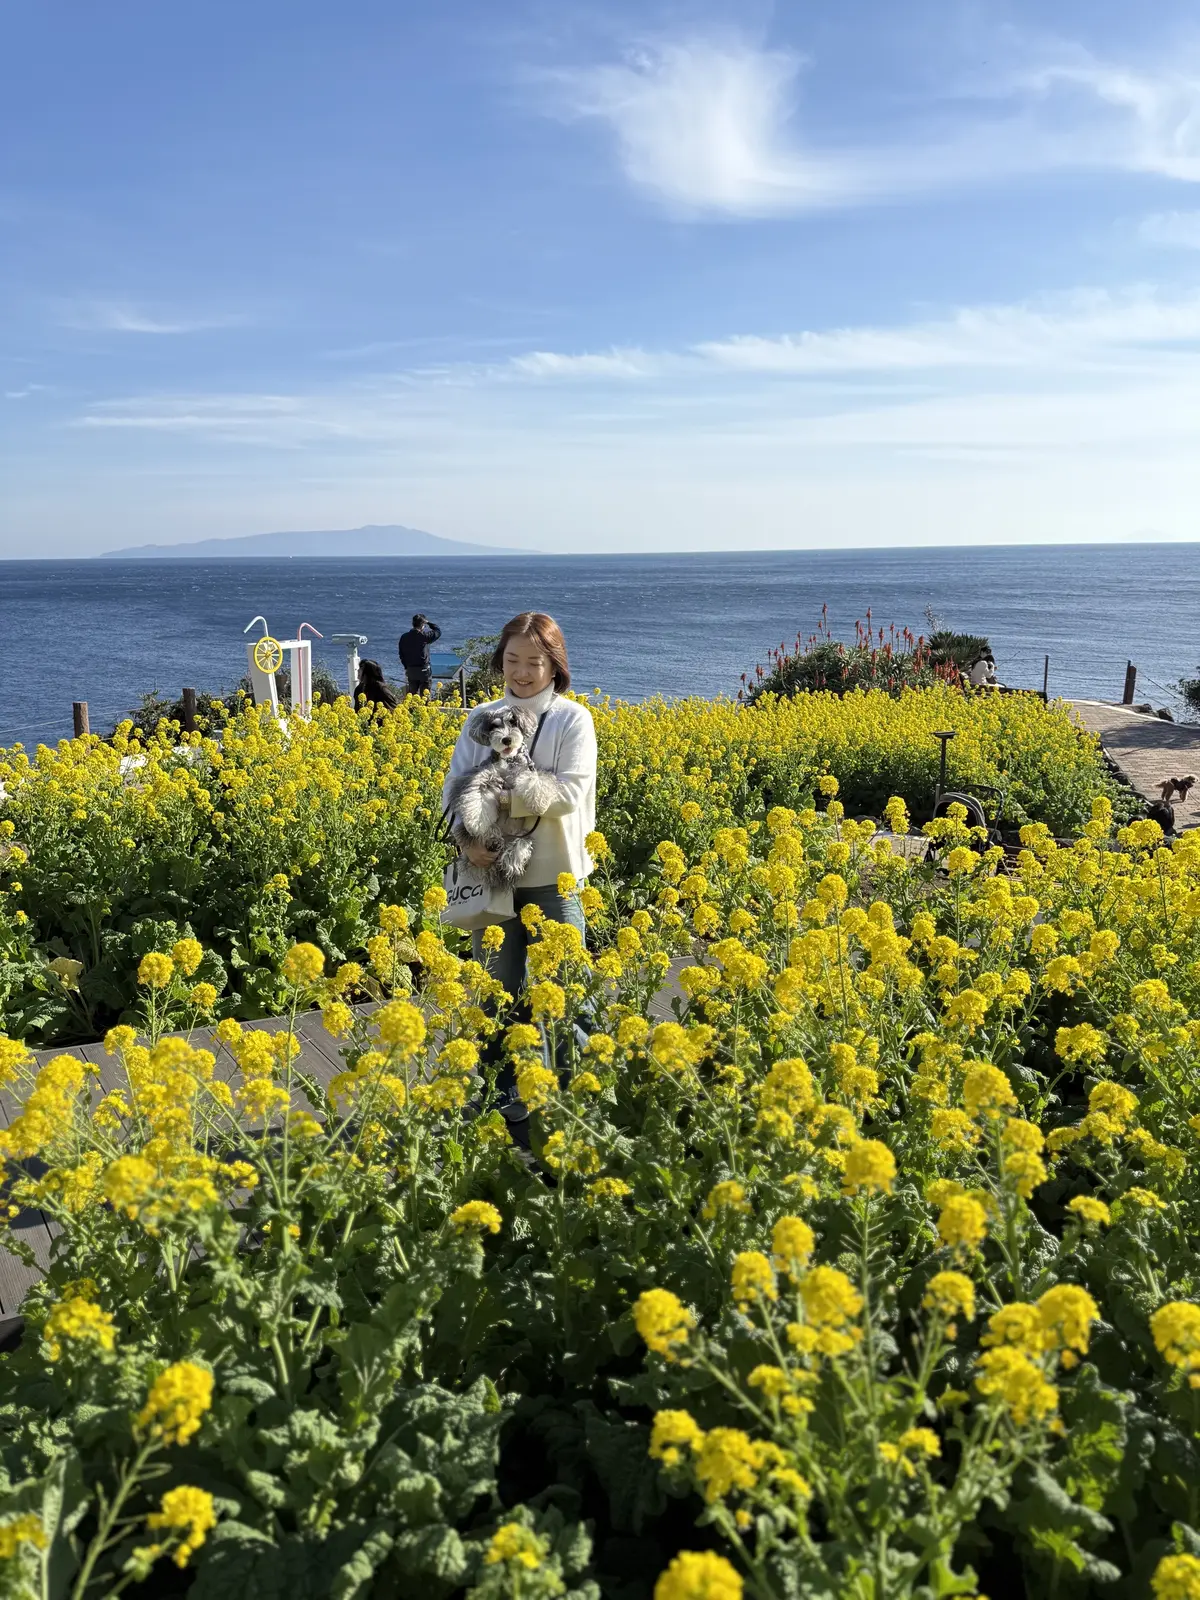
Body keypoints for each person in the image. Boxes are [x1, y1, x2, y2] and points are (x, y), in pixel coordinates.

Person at [441, 611, 597, 1136]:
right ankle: (500, 1095)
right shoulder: (482, 717)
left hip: (555, 877)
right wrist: (467, 839)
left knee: (567, 992)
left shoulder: (573, 719)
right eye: (512, 660)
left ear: (555, 666)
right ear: (500, 662)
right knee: (495, 994)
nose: (522, 672)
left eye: (534, 661)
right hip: (492, 877)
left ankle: (579, 1098)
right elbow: (453, 789)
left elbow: (569, 794)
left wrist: (499, 795)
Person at [398, 613, 441, 696]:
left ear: (412, 623)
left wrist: (406, 667)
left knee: (412, 695)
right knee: (425, 695)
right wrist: (428, 623)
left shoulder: (404, 637)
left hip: (411, 670)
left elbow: (401, 654)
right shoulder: (425, 636)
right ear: (422, 624)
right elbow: (438, 631)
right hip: (423, 670)